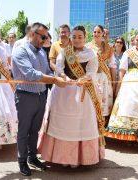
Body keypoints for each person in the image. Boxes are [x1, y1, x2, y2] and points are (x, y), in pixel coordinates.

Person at [39, 25, 105, 168]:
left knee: (80, 123)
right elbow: (59, 68)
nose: (76, 39)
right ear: (70, 37)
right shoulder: (64, 52)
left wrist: (84, 79)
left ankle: (79, 158)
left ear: (85, 37)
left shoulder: (91, 54)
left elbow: (92, 71)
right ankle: (62, 157)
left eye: (80, 37)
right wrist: (64, 77)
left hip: (83, 92)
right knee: (63, 123)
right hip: (64, 91)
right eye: (74, 37)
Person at [12, 22, 67, 176]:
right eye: (43, 36)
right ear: (32, 34)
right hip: (25, 96)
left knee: (35, 130)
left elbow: (47, 70)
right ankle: (22, 161)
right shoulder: (20, 51)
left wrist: (59, 74)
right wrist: (55, 80)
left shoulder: (42, 51)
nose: (45, 39)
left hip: (41, 96)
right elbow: (31, 74)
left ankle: (32, 157)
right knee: (24, 131)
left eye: (47, 37)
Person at [105, 31, 138, 141]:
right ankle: (125, 135)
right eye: (137, 40)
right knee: (127, 103)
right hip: (129, 82)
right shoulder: (128, 53)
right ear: (134, 41)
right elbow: (122, 70)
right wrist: (120, 84)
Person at [87, 25, 116, 121]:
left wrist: (114, 82)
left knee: (104, 102)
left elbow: (112, 65)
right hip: (92, 77)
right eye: (95, 32)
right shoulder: (87, 46)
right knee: (92, 101)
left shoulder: (109, 47)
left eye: (99, 32)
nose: (96, 34)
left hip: (104, 78)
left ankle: (103, 125)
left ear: (103, 33)